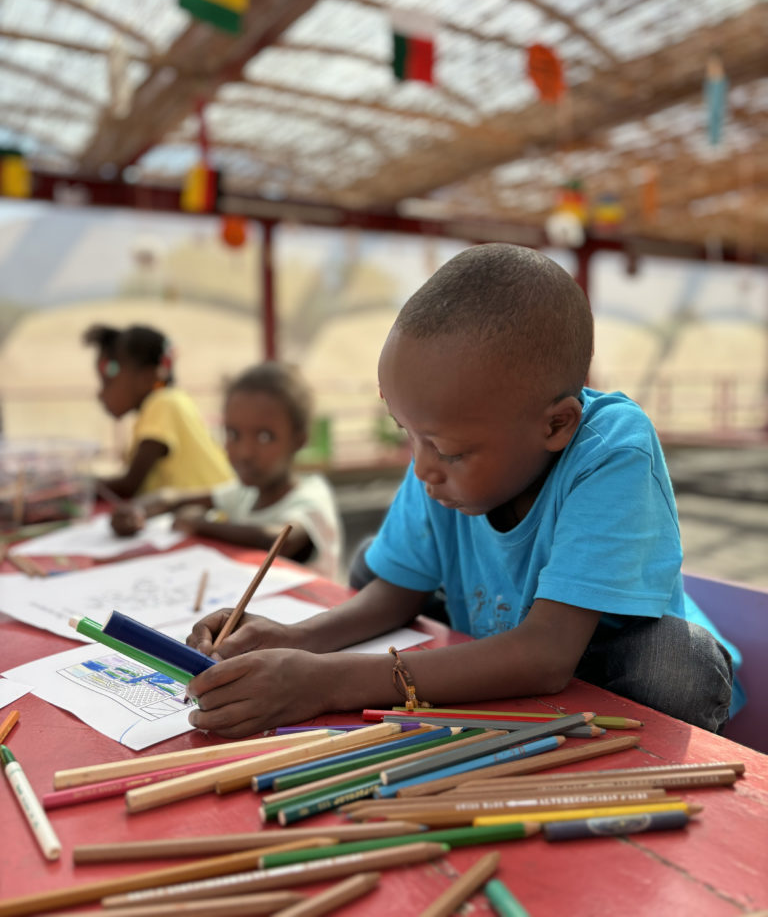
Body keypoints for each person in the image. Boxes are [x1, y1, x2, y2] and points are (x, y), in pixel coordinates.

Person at [185, 244, 734, 739]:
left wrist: (323, 683)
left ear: (556, 426)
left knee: (675, 664)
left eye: (448, 450)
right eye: (408, 434)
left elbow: (546, 656)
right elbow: (394, 593)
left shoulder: (613, 450)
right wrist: (290, 641)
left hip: (588, 657)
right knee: (367, 572)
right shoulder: (446, 445)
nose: (423, 468)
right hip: (512, 645)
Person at [111, 361, 343, 581]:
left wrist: (200, 524)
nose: (245, 452)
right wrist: (136, 511)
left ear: (298, 441)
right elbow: (172, 498)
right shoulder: (245, 493)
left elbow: (279, 539)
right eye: (233, 434)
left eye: (265, 437)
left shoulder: (312, 497)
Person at [84, 323, 233, 498]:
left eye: (107, 382)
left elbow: (129, 485)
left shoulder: (163, 404)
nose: (100, 394)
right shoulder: (170, 401)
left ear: (147, 377)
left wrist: (74, 487)